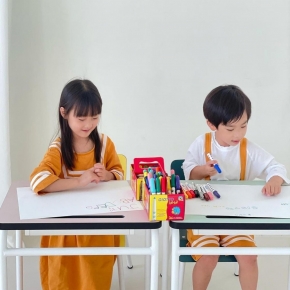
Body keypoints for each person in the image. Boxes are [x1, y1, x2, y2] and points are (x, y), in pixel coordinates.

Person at [183, 84, 290, 290]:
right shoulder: (201, 144)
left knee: (249, 258)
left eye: (243, 125)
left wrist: (275, 179)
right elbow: (188, 171)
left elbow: (275, 166)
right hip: (203, 218)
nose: (238, 134)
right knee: (208, 258)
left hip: (237, 218)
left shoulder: (247, 149)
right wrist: (202, 170)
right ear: (212, 125)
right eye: (230, 128)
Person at [30, 79, 124, 290]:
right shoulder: (58, 149)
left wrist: (108, 175)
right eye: (81, 118)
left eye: (94, 117)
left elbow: (119, 173)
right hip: (66, 227)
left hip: (99, 226)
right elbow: (38, 181)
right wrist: (78, 181)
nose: (88, 124)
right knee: (63, 276)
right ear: (64, 113)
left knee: (95, 276)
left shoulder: (105, 144)